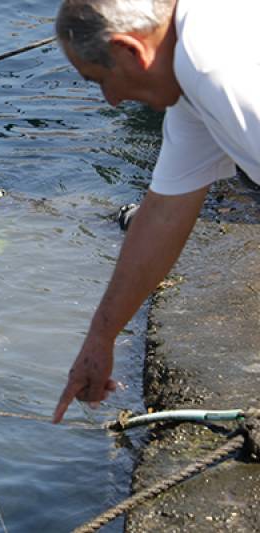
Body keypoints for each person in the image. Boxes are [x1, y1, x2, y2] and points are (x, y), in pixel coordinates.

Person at [52, 0, 260, 423]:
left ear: (130, 50)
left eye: (100, 80)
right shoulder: (188, 78)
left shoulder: (217, 69)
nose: (111, 101)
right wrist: (101, 338)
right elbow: (164, 212)